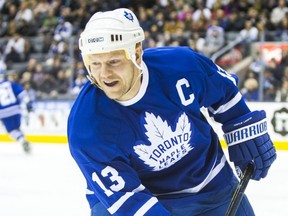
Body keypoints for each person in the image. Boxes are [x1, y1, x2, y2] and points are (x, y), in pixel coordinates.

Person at [67, 8, 277, 216]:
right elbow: (127, 201)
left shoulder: (181, 65)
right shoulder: (86, 125)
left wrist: (240, 123)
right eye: (94, 64)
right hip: (144, 199)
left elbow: (223, 92)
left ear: (137, 54)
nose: (104, 74)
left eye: (113, 61)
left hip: (211, 184)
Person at [0, 69, 32, 153]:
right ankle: (22, 138)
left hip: (3, 112)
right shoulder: (11, 84)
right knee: (17, 128)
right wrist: (28, 104)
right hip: (16, 110)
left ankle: (22, 140)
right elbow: (22, 94)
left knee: (12, 131)